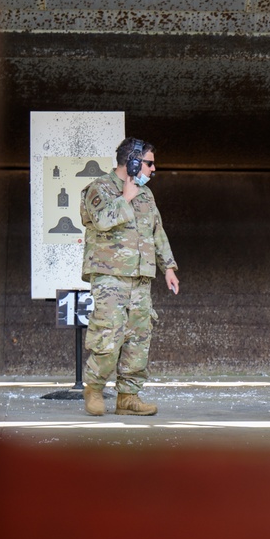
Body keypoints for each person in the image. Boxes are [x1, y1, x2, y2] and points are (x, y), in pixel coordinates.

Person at [80, 137, 180, 416]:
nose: (153, 169)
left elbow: (156, 231)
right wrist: (125, 198)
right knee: (108, 334)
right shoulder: (98, 188)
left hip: (140, 276)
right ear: (133, 162)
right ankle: (95, 388)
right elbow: (99, 221)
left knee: (139, 337)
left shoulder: (146, 195)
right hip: (110, 275)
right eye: (149, 163)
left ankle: (128, 396)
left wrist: (168, 267)